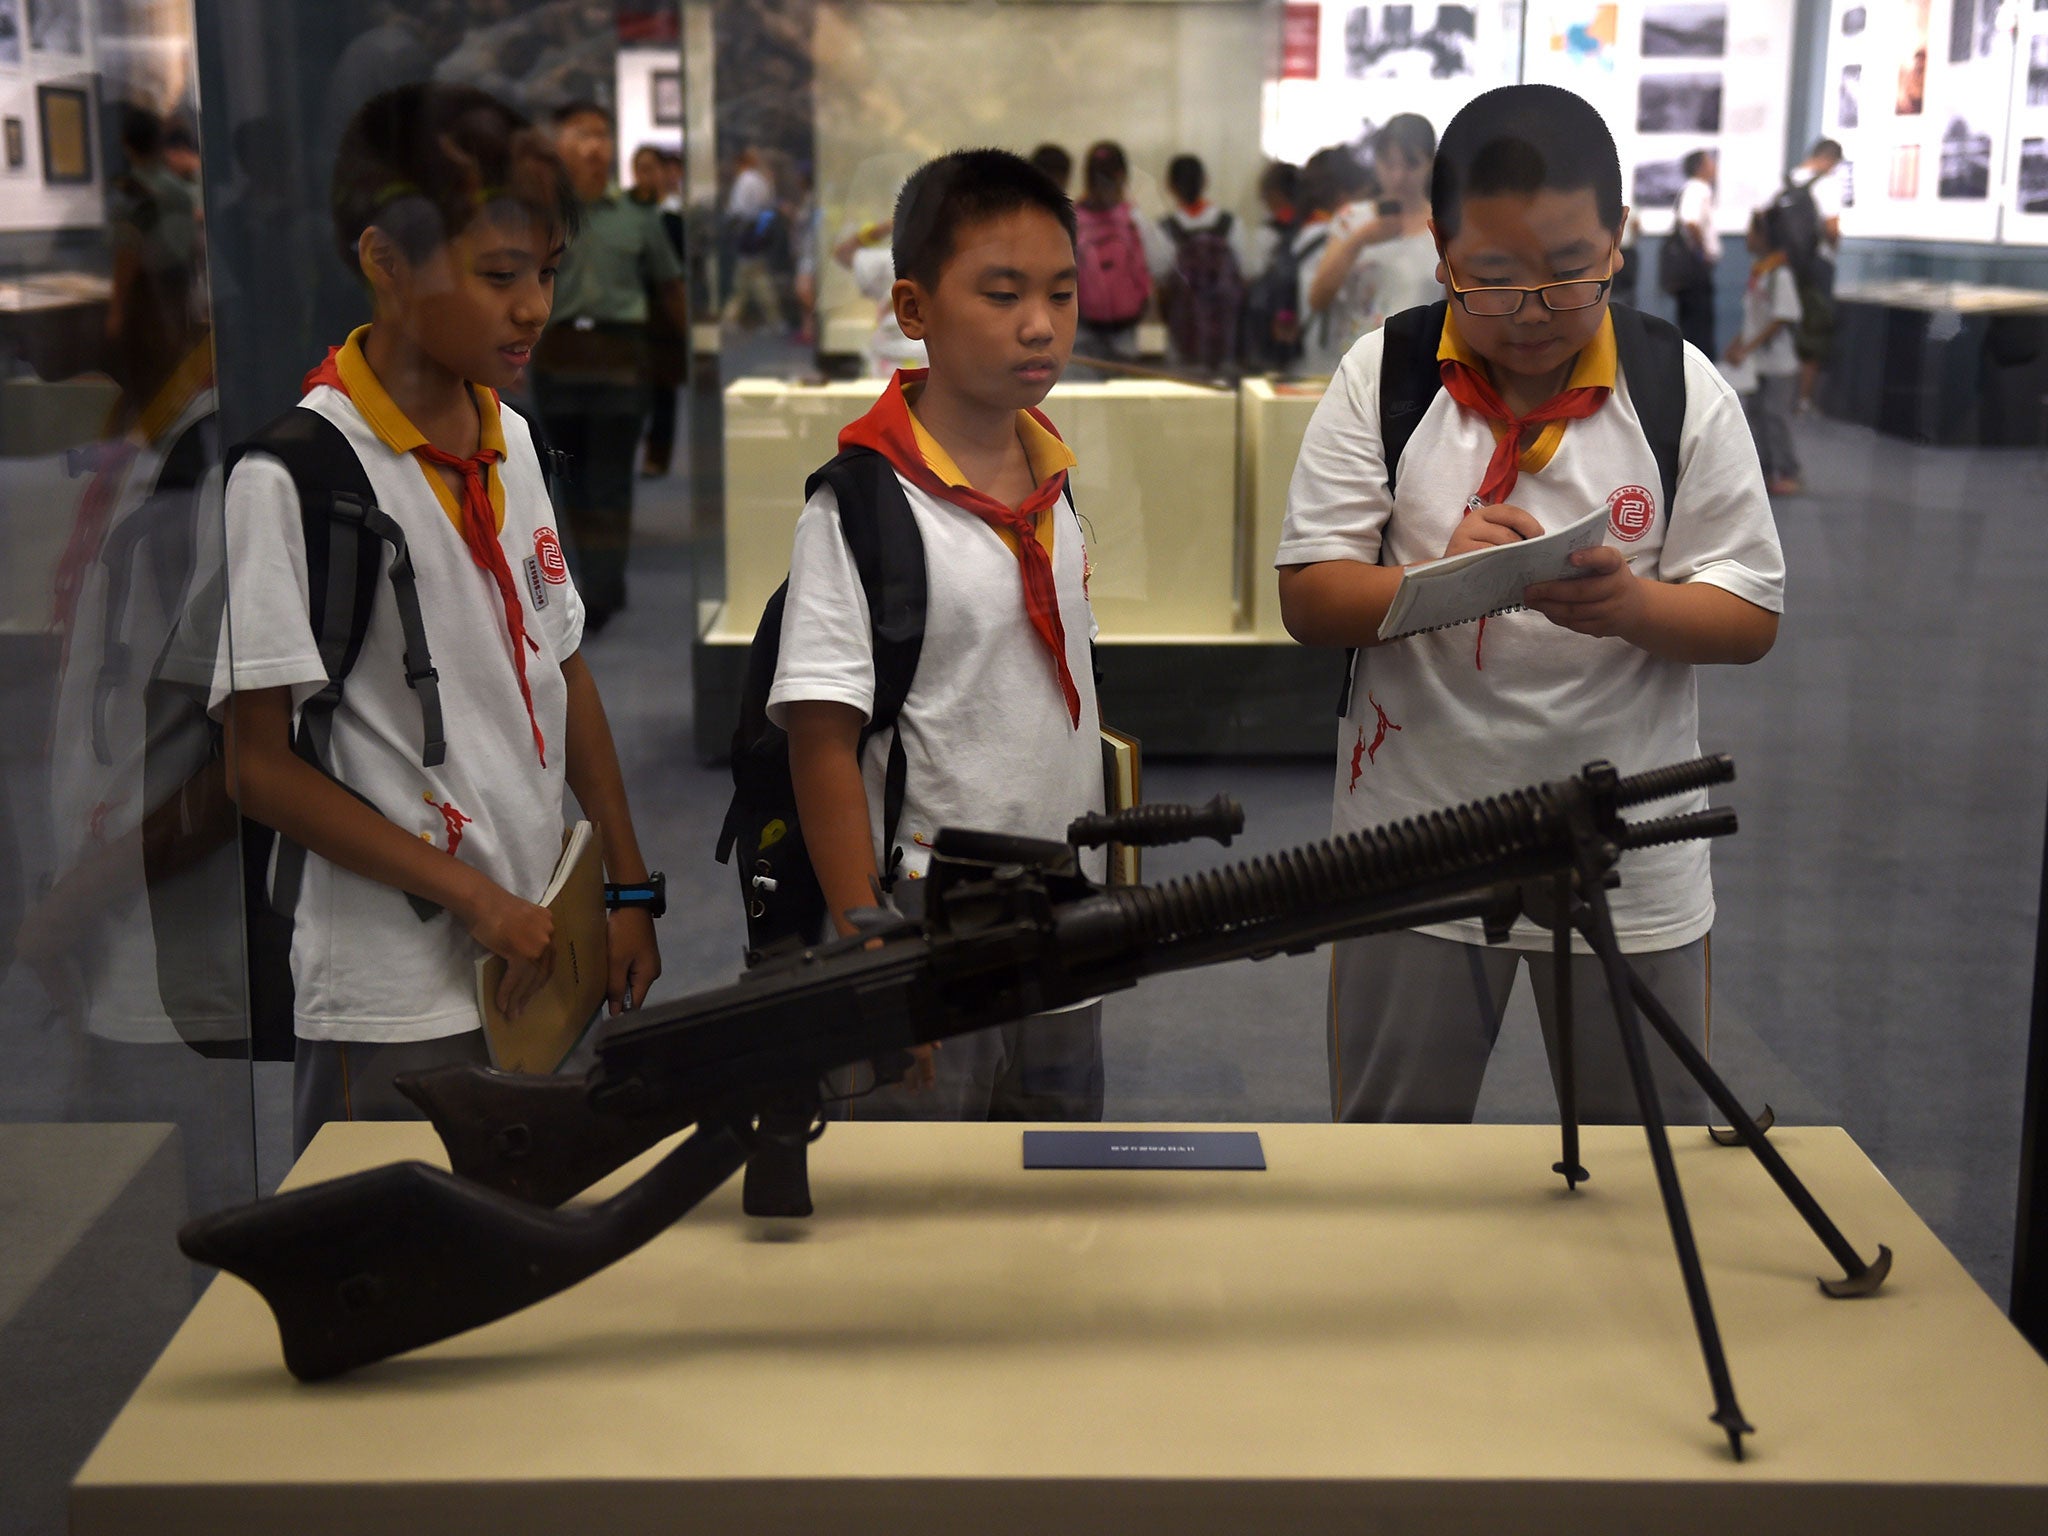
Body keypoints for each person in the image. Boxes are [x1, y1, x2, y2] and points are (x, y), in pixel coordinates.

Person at [1274, 83, 1784, 1126]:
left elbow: (1748, 615)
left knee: (1644, 1171)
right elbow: (1308, 595)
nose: (1532, 313)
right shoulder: (1386, 376)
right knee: (1390, 1169)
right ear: (1438, 245)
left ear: (1618, 241)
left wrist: (1632, 608)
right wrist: (1431, 585)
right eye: (1491, 280)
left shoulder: (1677, 389)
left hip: (1626, 855)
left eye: (1567, 276)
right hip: (1410, 846)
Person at [217, 84, 662, 1152]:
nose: (533, 308)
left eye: (546, 273)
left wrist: (626, 887)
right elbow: (256, 769)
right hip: (389, 988)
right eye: (499, 275)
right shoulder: (296, 477)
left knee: (529, 1244)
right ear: (385, 261)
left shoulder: (507, 436)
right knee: (387, 1267)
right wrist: (471, 898)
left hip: (530, 948)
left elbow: (567, 671)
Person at [769, 148, 1106, 1120]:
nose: (1039, 324)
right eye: (1000, 295)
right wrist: (866, 940)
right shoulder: (859, 507)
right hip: (923, 918)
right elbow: (821, 737)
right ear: (911, 311)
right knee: (920, 1214)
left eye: (1058, 292)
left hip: (1060, 902)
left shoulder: (1050, 480)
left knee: (1057, 1190)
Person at [530, 100, 689, 631]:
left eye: (603, 134)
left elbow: (671, 290)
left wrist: (681, 357)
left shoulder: (638, 219)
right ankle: (587, 581)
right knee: (571, 478)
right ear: (558, 145)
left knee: (611, 479)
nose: (596, 146)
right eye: (581, 134)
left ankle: (602, 587)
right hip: (558, 360)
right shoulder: (539, 217)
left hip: (623, 360)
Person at [1306, 114, 1441, 361]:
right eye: (1389, 164)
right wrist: (1357, 242)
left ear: (1431, 163)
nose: (1398, 176)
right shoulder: (1353, 220)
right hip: (1356, 367)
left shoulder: (1446, 227)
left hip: (1422, 370)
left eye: (1411, 165)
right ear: (1376, 162)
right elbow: (1317, 299)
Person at [1727, 209, 1802, 496]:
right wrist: (1738, 343)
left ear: (1764, 236)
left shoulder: (1779, 274)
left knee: (1775, 416)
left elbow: (1782, 317)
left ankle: (1788, 470)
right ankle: (1765, 470)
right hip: (1758, 362)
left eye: (1751, 231)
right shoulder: (1761, 272)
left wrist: (1747, 347)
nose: (1747, 237)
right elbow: (1754, 318)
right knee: (1756, 416)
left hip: (1779, 364)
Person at [1155, 152, 1248, 376]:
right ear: (1205, 180)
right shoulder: (1230, 224)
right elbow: (1245, 274)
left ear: (1170, 186)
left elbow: (1159, 277)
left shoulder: (1164, 228)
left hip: (1182, 335)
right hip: (1226, 335)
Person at [1072, 140, 1163, 367]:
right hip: (1128, 328)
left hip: (1084, 328)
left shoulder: (1072, 218)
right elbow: (1158, 265)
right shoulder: (1134, 218)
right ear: (1122, 175)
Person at [629, 144, 687, 478]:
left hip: (665, 312)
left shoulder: (675, 217)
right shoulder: (627, 214)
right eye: (640, 168)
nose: (646, 176)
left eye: (653, 168)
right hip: (633, 311)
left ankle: (657, 455)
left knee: (664, 389)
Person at [1291, 145, 1374, 375]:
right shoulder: (1335, 238)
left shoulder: (1303, 233)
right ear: (1344, 195)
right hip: (1326, 361)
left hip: (1303, 355)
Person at [1781, 138, 1844, 413]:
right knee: (1814, 329)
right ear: (1830, 160)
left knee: (1784, 325)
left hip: (1785, 264)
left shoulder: (1786, 180)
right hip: (1816, 266)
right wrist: (1833, 248)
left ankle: (1779, 394)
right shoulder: (1827, 184)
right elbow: (1832, 228)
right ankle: (1803, 399)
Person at [1672, 148, 1720, 356]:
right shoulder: (1697, 189)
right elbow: (1690, 221)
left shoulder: (1694, 189)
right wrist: (1702, 252)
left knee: (1694, 322)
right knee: (1698, 324)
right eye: (1710, 163)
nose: (1714, 167)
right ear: (1701, 167)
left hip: (1693, 269)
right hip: (1695, 269)